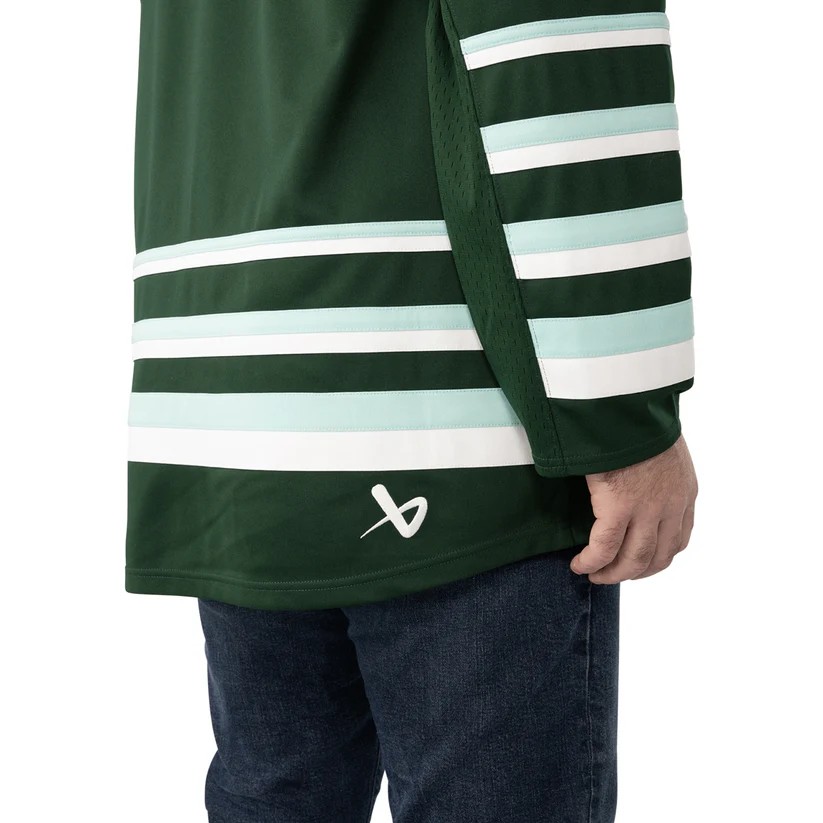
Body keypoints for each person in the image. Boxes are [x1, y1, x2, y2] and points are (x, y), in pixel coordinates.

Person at [125, 2, 698, 820]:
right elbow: (551, 56)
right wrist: (621, 411)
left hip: (227, 403)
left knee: (277, 792)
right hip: (451, 414)